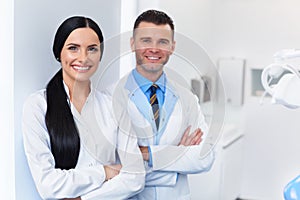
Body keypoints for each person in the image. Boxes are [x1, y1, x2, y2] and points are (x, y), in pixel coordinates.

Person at [22, 16, 145, 200]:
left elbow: (136, 177)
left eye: (92, 49)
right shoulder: (38, 106)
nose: (83, 58)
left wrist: (82, 199)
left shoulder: (114, 106)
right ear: (59, 53)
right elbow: (47, 185)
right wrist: (104, 172)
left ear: (100, 55)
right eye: (73, 48)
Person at [111, 9, 215, 199]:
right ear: (132, 44)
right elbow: (111, 167)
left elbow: (204, 157)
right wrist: (178, 157)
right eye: (146, 40)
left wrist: (146, 154)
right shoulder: (110, 97)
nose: (154, 49)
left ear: (172, 47)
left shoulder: (187, 99)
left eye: (163, 42)